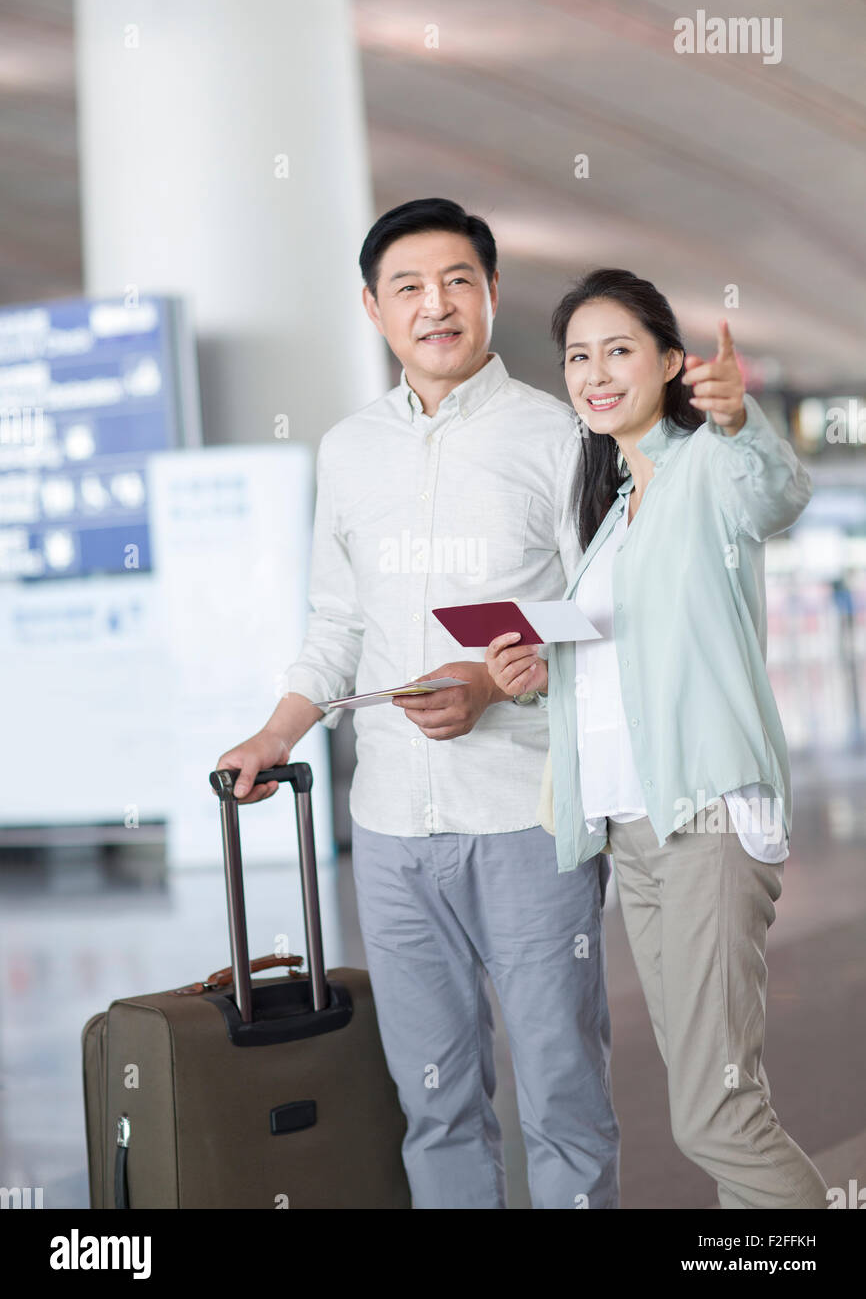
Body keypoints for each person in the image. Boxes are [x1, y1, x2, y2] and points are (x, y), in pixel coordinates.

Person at [216, 200, 620, 1210]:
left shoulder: (561, 435)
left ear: (489, 293)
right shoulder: (346, 450)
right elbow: (335, 618)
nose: (433, 306)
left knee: (560, 1092)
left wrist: (490, 678)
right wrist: (278, 729)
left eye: (454, 282)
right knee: (431, 1100)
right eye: (407, 287)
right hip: (392, 827)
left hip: (526, 812)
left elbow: (601, 611)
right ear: (372, 306)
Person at [486, 268, 828, 1209]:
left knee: (713, 1114)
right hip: (634, 831)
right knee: (717, 1099)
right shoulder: (608, 522)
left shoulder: (706, 469)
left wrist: (735, 419)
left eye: (619, 350)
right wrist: (532, 683)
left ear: (673, 363)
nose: (595, 373)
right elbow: (617, 675)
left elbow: (774, 491)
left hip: (706, 812)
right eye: (577, 358)